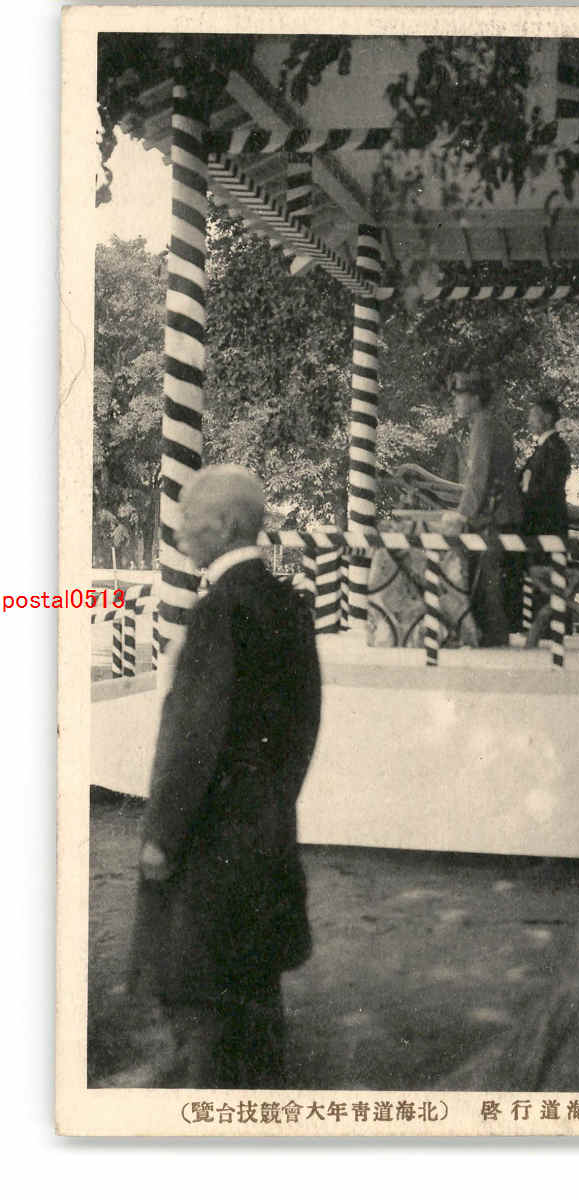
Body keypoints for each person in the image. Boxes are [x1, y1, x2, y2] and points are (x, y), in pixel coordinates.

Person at [130, 464, 321, 1088]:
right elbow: (305, 721)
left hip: (208, 839)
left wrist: (162, 835)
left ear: (228, 525)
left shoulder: (218, 611)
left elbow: (193, 736)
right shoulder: (290, 606)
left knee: (200, 990)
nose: (181, 530)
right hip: (265, 830)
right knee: (255, 986)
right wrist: (273, 798)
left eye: (192, 517)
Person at [441, 370, 522, 646]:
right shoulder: (495, 423)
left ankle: (491, 639)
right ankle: (491, 637)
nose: (456, 402)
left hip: (493, 515)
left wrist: (462, 515)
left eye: (461, 396)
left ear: (475, 398)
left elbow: (478, 477)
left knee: (485, 579)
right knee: (489, 578)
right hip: (501, 512)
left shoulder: (483, 425)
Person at [519, 396, 572, 541]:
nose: (529, 421)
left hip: (546, 528)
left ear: (547, 418)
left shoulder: (555, 448)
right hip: (538, 526)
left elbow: (549, 488)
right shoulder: (544, 447)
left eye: (533, 415)